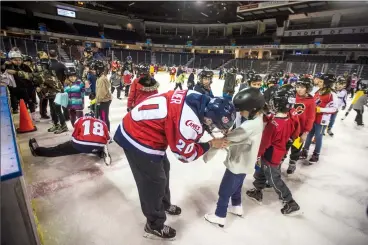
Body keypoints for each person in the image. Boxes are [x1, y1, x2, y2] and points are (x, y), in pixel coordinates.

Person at [113, 89, 236, 240]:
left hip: (145, 127)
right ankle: (154, 225)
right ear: (209, 119)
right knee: (154, 182)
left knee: (164, 168)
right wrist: (210, 144)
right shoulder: (187, 122)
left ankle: (163, 204)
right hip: (138, 136)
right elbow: (185, 155)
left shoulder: (198, 98)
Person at [203, 88, 265, 227]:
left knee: (225, 189)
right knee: (237, 186)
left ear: (253, 108)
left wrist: (210, 150)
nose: (241, 113)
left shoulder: (249, 126)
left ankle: (219, 215)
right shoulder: (258, 118)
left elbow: (229, 138)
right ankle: (236, 206)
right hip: (246, 161)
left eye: (243, 110)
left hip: (238, 161)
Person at [246, 85, 301, 216]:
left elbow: (264, 143)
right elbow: (287, 128)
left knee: (274, 179)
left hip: (270, 156)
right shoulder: (288, 118)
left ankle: (290, 202)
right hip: (278, 152)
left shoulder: (273, 125)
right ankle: (257, 191)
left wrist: (257, 155)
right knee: (261, 173)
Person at [28, 114, 111, 165]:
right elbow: (108, 139)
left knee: (58, 149)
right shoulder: (102, 123)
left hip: (81, 144)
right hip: (98, 144)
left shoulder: (80, 119)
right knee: (96, 145)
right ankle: (99, 152)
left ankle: (37, 151)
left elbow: (74, 135)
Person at [300, 74, 338, 164]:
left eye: (321, 81)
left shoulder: (332, 94)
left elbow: (335, 109)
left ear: (327, 83)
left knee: (318, 136)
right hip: (312, 117)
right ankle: (305, 150)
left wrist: (320, 109)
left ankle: (316, 154)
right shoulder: (317, 91)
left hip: (322, 120)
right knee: (309, 134)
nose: (319, 83)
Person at [285, 77, 316, 174]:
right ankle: (278, 164)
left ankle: (292, 164)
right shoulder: (292, 96)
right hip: (288, 129)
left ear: (307, 88)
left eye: (302, 87)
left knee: (296, 149)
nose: (299, 89)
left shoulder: (311, 101)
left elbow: (311, 117)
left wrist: (306, 132)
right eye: (298, 87)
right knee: (284, 148)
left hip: (300, 131)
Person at [33, 52, 68, 134]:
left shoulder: (47, 74)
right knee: (53, 111)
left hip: (57, 94)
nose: (40, 67)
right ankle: (56, 124)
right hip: (51, 94)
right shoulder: (47, 73)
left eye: (41, 66)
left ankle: (63, 126)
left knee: (58, 111)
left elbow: (50, 83)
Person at [94, 60, 112, 131]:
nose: (94, 72)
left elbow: (102, 93)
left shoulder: (101, 79)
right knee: (103, 117)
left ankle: (107, 133)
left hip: (103, 101)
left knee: (104, 118)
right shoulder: (101, 78)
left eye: (94, 70)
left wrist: (97, 101)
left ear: (98, 70)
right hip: (104, 101)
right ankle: (105, 132)